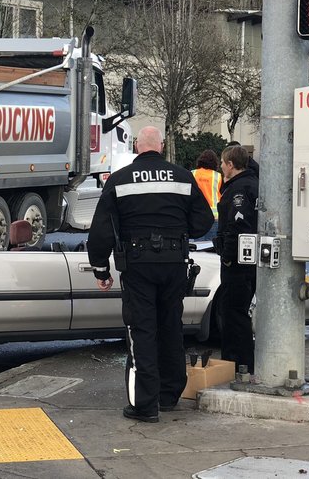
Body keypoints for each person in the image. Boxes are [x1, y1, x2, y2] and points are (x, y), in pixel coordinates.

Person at [88, 126, 214, 423]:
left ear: (136, 146)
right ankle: (169, 395)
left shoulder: (119, 180)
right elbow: (203, 221)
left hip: (138, 265)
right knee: (171, 326)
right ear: (161, 145)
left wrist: (101, 269)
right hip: (173, 264)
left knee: (141, 330)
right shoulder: (183, 177)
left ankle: (144, 405)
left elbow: (101, 231)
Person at [214, 145, 259, 374]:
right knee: (236, 313)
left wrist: (229, 258)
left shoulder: (239, 190)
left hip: (238, 267)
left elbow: (238, 228)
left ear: (231, 165)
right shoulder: (252, 183)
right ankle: (240, 365)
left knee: (233, 316)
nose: (221, 167)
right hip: (248, 265)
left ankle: (238, 367)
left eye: (223, 163)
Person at [192, 149, 222, 241]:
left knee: (197, 251)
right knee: (212, 250)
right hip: (214, 218)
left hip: (196, 217)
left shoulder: (192, 174)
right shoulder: (218, 176)